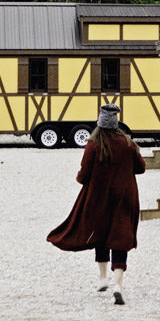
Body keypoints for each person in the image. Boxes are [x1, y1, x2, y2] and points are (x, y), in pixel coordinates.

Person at [47, 104, 146, 305]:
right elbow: (141, 168)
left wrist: (82, 176)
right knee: (120, 237)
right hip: (125, 197)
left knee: (101, 233)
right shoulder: (127, 143)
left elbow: (83, 176)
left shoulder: (93, 145)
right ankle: (118, 285)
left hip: (99, 197)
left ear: (99, 124)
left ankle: (103, 278)